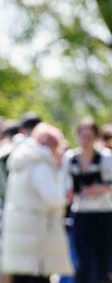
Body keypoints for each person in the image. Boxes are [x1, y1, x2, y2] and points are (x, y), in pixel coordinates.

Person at [0, 123, 73, 283]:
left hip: (25, 235)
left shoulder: (25, 159)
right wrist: (66, 192)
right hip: (35, 240)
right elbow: (54, 198)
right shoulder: (39, 164)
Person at [61, 119, 112, 283]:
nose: (85, 141)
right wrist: (68, 193)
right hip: (80, 213)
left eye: (89, 137)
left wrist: (100, 189)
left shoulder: (105, 157)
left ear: (95, 137)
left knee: (102, 262)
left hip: (103, 213)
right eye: (82, 136)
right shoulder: (70, 158)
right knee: (83, 261)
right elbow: (64, 183)